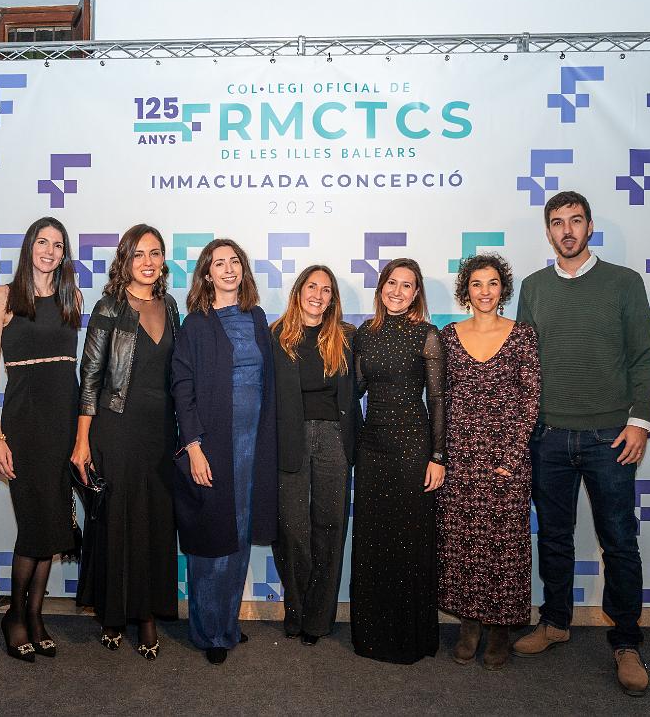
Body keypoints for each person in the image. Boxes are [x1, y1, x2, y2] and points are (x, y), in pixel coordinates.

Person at [514, 190, 650, 697]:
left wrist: (640, 422)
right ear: (548, 231)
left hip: (610, 436)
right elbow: (525, 365)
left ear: (590, 226)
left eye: (575, 220)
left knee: (618, 539)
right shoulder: (533, 287)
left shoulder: (624, 282)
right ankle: (555, 622)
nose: (567, 230)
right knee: (554, 537)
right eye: (558, 222)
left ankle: (627, 642)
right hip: (548, 436)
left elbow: (644, 356)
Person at [72, 224, 180, 660]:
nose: (148, 262)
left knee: (154, 523)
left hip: (160, 433)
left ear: (163, 260)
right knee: (117, 523)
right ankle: (114, 615)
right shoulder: (109, 307)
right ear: (125, 260)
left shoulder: (170, 305)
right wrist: (82, 442)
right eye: (139, 254)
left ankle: (147, 614)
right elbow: (90, 378)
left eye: (155, 253)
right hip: (116, 428)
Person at [0, 216, 82, 662]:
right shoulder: (2, 297)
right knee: (34, 527)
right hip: (23, 425)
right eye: (42, 242)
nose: (49, 251)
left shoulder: (71, 297)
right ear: (29, 246)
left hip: (63, 423)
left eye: (57, 245)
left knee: (53, 524)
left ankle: (36, 616)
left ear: (64, 254)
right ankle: (14, 616)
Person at [171, 239, 277, 665]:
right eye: (220, 263)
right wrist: (194, 446)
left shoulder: (257, 317)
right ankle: (208, 631)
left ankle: (227, 624)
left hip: (253, 446)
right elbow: (182, 388)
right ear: (207, 274)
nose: (229, 269)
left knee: (239, 537)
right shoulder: (196, 324)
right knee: (210, 542)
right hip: (213, 444)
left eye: (235, 262)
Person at [438, 253, 540, 670]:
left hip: (506, 462)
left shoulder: (523, 336)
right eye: (477, 283)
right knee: (462, 544)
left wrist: (511, 457)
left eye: (492, 283)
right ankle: (469, 626)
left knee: (505, 547)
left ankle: (500, 629)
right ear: (466, 290)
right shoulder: (447, 337)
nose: (485, 291)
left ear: (503, 289)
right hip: (460, 460)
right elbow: (440, 398)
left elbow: (531, 401)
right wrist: (442, 455)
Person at [351, 258, 446, 664]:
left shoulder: (427, 334)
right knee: (373, 540)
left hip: (412, 448)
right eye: (392, 283)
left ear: (416, 293)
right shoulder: (364, 334)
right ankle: (373, 635)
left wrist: (438, 456)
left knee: (410, 540)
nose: (398, 291)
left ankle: (410, 637)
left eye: (407, 285)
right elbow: (354, 388)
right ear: (381, 288)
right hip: (372, 447)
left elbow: (438, 399)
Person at [270, 265, 361, 646]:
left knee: (330, 528)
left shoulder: (346, 336)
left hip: (335, 438)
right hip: (288, 439)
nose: (318, 295)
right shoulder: (275, 335)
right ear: (298, 291)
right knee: (292, 529)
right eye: (312, 287)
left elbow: (358, 386)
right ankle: (296, 611)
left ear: (332, 299)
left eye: (326, 290)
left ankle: (318, 620)